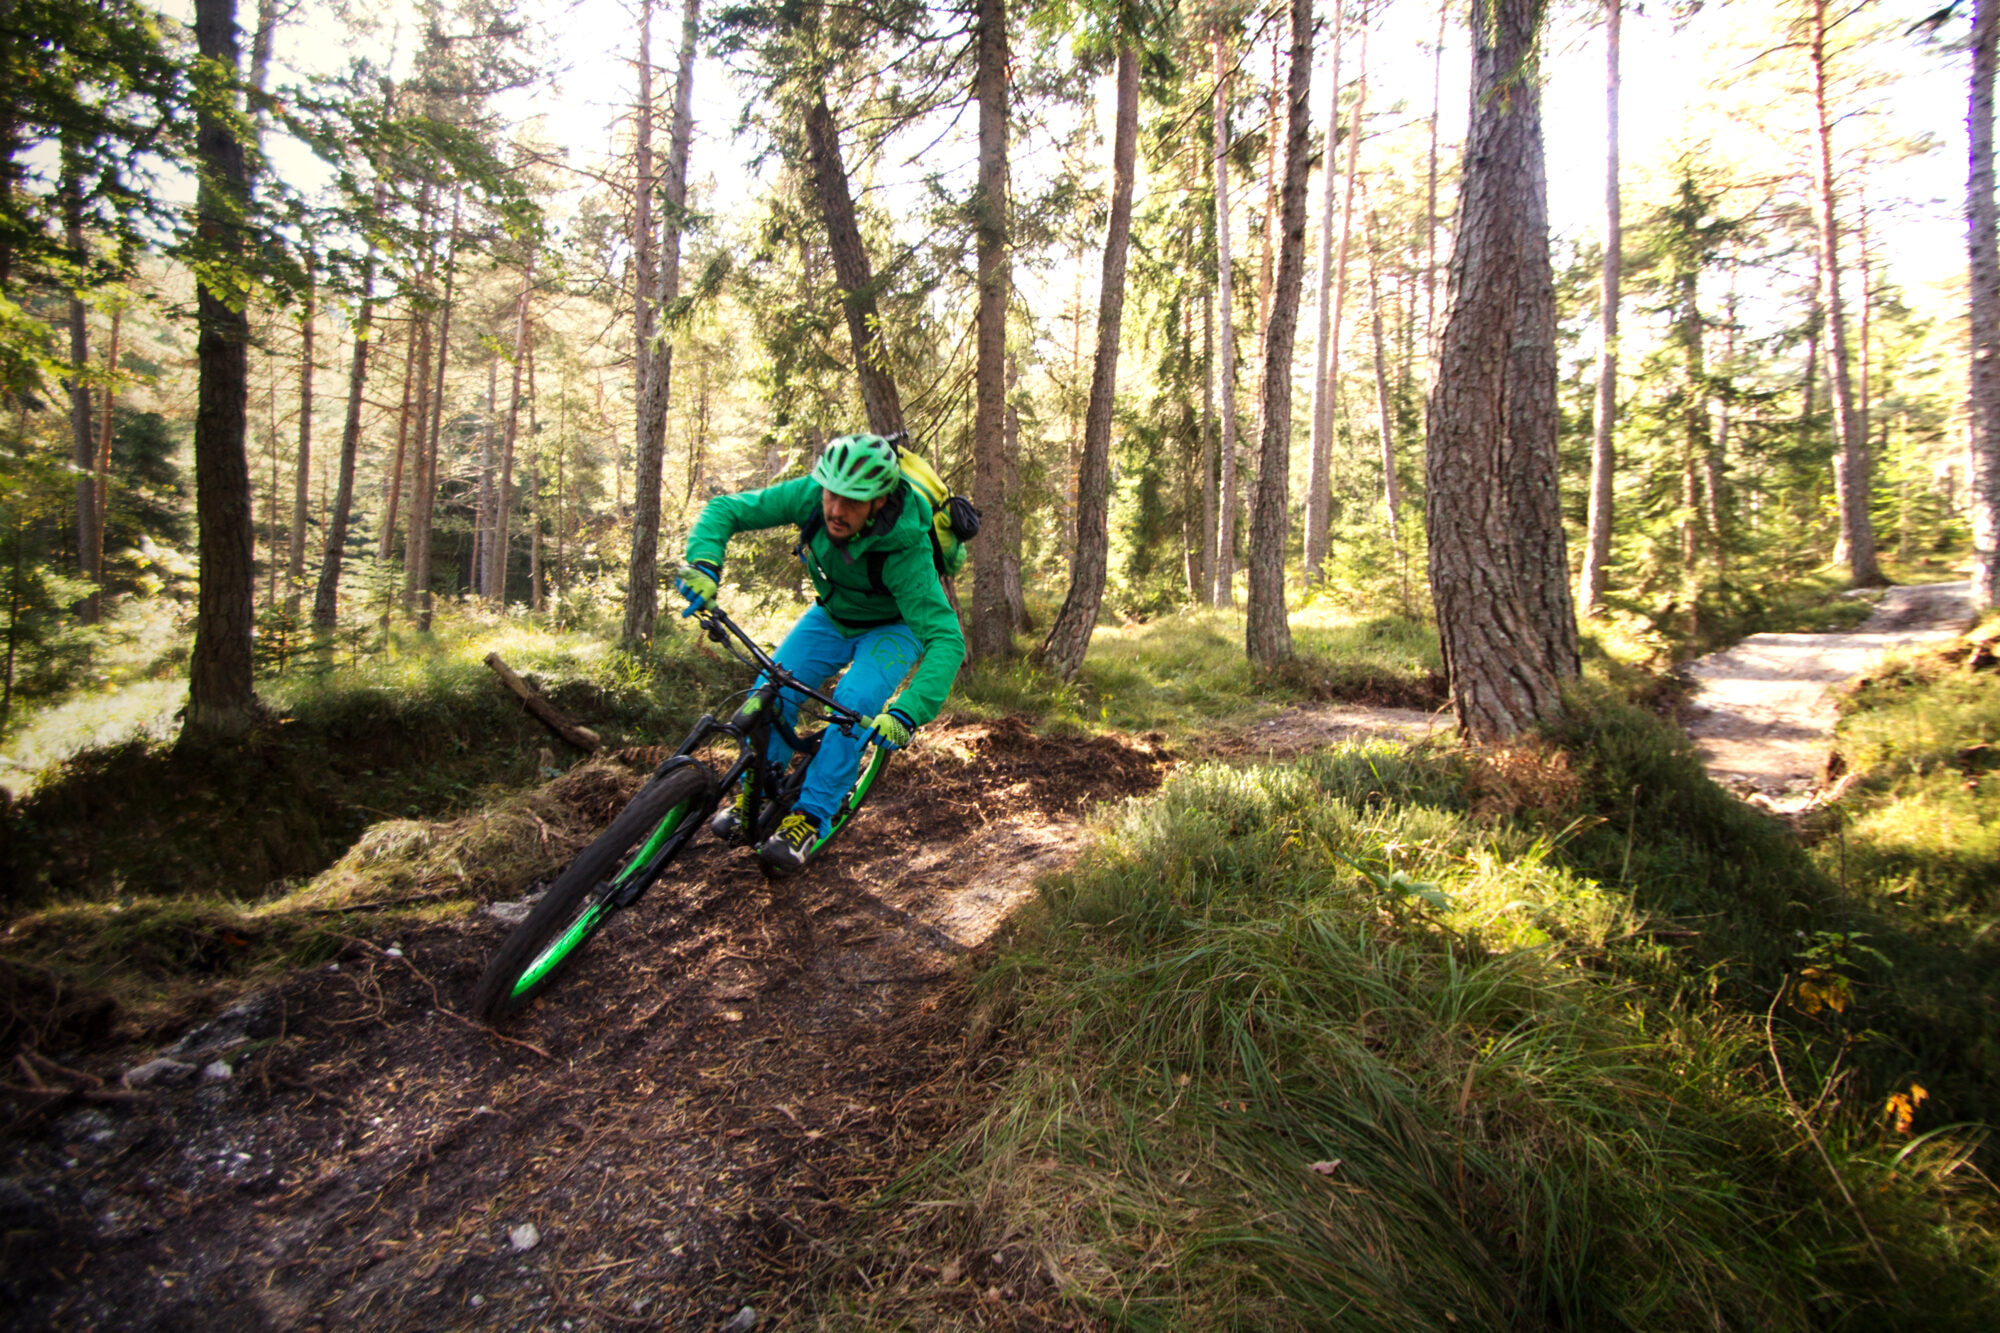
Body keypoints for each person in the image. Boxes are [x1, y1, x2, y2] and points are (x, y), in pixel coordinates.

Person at [674, 432, 967, 873]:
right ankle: (758, 788)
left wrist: (908, 713)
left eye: (853, 500)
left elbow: (946, 637)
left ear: (880, 499)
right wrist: (704, 564)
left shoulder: (907, 547)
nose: (835, 510)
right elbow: (727, 510)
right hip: (831, 615)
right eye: (832, 494)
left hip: (892, 628)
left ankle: (810, 816)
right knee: (771, 689)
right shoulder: (812, 496)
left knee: (855, 706)